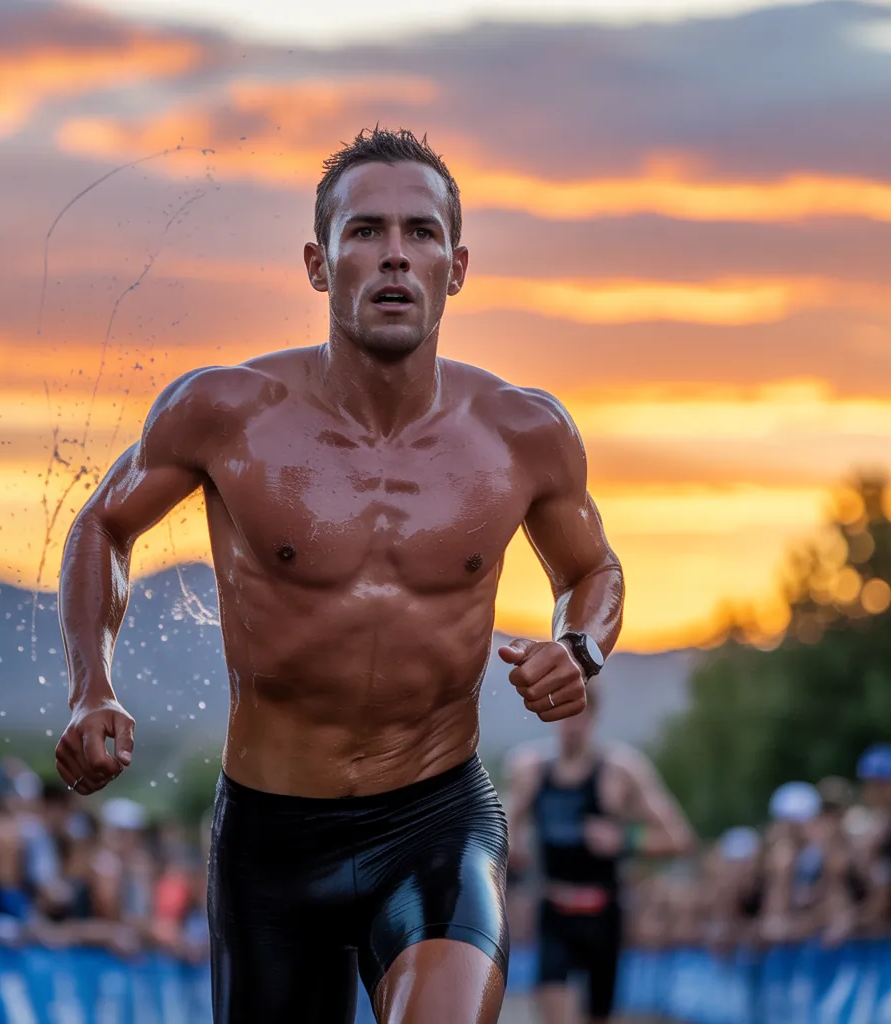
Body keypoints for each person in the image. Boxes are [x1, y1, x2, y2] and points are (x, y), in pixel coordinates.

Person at [54, 126, 625, 1024]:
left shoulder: (523, 432)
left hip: (436, 821)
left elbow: (593, 568)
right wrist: (92, 687)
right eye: (365, 231)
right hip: (271, 838)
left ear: (456, 267)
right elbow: (103, 524)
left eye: (420, 232)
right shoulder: (225, 411)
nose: (395, 254)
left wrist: (580, 647)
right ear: (319, 265)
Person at [505, 683, 693, 1024]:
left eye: (578, 714)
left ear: (593, 716)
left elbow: (678, 837)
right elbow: (505, 825)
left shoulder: (620, 771)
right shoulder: (530, 770)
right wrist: (514, 845)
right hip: (554, 911)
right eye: (563, 715)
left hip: (602, 913)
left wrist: (625, 839)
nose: (571, 725)